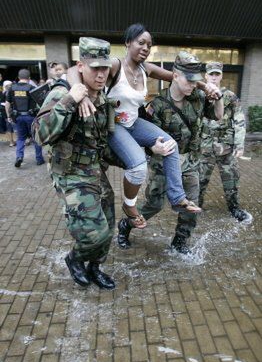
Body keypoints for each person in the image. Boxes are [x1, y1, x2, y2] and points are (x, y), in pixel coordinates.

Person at [68, 23, 202, 231]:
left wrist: (205, 85)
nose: (146, 48)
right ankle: (129, 206)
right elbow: (72, 70)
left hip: (134, 123)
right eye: (141, 42)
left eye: (149, 45)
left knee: (170, 145)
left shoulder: (145, 69)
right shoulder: (115, 65)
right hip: (114, 125)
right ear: (128, 43)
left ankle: (177, 198)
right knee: (138, 167)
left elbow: (175, 76)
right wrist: (79, 95)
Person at [117, 51, 224, 254]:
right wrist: (152, 148)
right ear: (175, 75)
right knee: (154, 205)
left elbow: (218, 115)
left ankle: (180, 242)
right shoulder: (156, 105)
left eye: (196, 81)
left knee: (190, 207)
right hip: (163, 164)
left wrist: (217, 97)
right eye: (189, 80)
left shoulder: (198, 99)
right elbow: (147, 138)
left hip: (191, 163)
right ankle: (126, 225)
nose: (193, 85)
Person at [36, 37, 119, 289]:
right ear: (80, 66)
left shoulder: (102, 99)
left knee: (108, 223)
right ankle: (74, 259)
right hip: (70, 174)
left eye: (104, 68)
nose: (101, 74)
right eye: (95, 68)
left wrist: (147, 152)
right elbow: (40, 134)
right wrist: (70, 100)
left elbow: (103, 144)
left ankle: (94, 268)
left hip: (94, 171)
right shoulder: (62, 92)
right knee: (94, 233)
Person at [199, 61, 252, 223]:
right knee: (199, 180)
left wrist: (239, 144)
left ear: (221, 76)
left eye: (217, 74)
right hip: (204, 148)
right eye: (211, 74)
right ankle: (195, 206)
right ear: (205, 75)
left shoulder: (229, 96)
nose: (214, 77)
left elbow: (239, 120)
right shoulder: (199, 96)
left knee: (231, 180)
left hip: (226, 148)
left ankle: (234, 208)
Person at [5, 69, 45, 167]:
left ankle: (19, 157)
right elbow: (41, 103)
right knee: (36, 138)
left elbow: (7, 104)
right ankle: (39, 159)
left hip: (18, 117)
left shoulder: (11, 88)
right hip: (31, 117)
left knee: (20, 138)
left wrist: (8, 116)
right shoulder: (32, 88)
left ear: (18, 78)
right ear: (29, 78)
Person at [0, 80, 16, 146]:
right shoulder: (10, 92)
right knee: (14, 126)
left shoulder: (2, 92)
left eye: (11, 84)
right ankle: (12, 141)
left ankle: (11, 142)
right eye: (9, 85)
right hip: (9, 111)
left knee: (9, 126)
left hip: (4, 111)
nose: (10, 86)